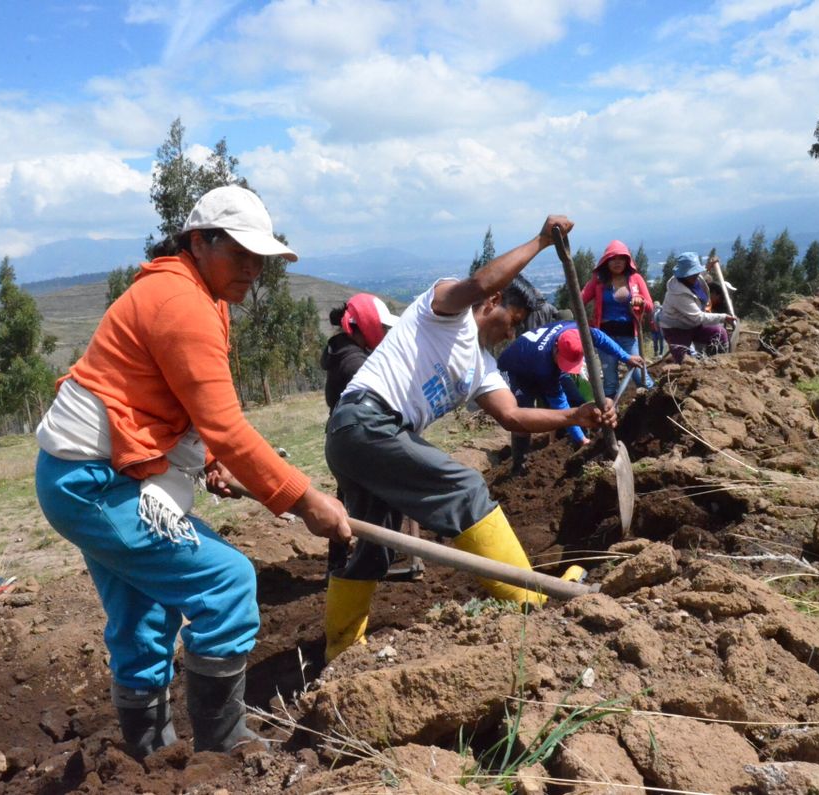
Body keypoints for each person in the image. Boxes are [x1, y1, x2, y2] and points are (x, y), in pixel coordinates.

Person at [33, 185, 351, 759]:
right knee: (228, 582)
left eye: (261, 259)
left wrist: (208, 461)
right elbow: (227, 426)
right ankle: (223, 751)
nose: (253, 270)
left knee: (143, 615)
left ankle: (151, 762)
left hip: (94, 474)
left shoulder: (192, 293)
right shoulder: (182, 304)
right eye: (240, 253)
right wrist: (306, 500)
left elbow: (167, 402)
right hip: (96, 484)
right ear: (199, 242)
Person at [323, 215, 616, 662]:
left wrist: (575, 414)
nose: (511, 333)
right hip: (364, 421)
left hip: (362, 438)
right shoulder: (444, 311)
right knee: (465, 486)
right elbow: (477, 282)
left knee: (374, 545)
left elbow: (513, 416)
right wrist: (540, 242)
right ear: (493, 302)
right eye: (511, 321)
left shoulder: (482, 366)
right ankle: (528, 600)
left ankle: (342, 651)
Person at [320, 294, 401, 574]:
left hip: (343, 437)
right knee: (374, 499)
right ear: (366, 326)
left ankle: (338, 563)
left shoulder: (341, 351)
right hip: (358, 438)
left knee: (347, 499)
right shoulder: (355, 363)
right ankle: (367, 563)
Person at [498, 320, 643, 474]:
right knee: (522, 418)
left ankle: (573, 435)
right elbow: (560, 403)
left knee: (576, 395)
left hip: (539, 359)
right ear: (556, 348)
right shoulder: (544, 366)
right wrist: (581, 440)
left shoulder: (580, 331)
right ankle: (519, 465)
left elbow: (601, 338)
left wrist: (626, 357)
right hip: (514, 370)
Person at [579, 240, 654, 398]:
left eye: (621, 258)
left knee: (639, 374)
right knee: (610, 380)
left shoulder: (636, 279)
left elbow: (650, 306)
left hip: (629, 336)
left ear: (627, 261)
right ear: (606, 261)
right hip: (605, 337)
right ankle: (612, 416)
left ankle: (656, 403)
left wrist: (640, 300)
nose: (617, 262)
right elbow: (580, 300)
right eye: (613, 258)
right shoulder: (598, 280)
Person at [660, 252, 735, 362]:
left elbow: (701, 275)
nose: (696, 275)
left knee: (719, 333)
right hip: (676, 329)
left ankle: (719, 365)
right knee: (686, 363)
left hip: (693, 324)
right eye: (692, 273)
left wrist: (709, 267)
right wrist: (723, 317)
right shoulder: (678, 293)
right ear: (683, 275)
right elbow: (698, 317)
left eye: (696, 272)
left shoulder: (695, 279)